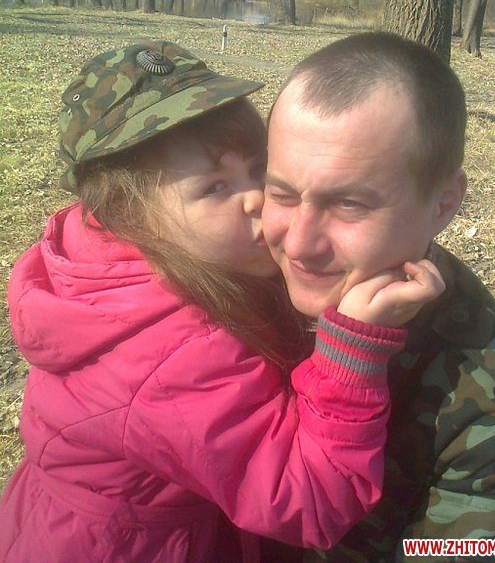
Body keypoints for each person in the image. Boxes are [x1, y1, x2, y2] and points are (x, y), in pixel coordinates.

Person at [0, 40, 446, 563]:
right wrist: (351, 355)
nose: (256, 198)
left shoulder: (100, 266)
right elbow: (309, 499)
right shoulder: (170, 357)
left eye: (258, 170)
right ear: (129, 214)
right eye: (215, 187)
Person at [262, 32, 495, 562]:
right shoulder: (232, 278)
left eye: (349, 205)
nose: (300, 244)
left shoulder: (493, 398)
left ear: (443, 203)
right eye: (282, 194)